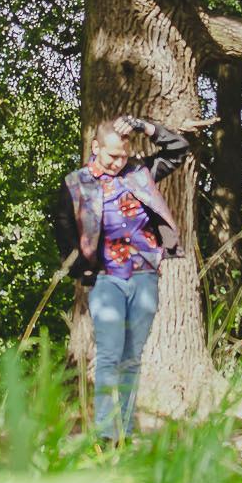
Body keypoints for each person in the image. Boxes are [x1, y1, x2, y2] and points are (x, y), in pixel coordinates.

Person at [54, 115, 192, 440]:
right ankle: (105, 433)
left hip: (144, 274)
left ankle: (125, 432)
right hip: (105, 278)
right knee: (108, 355)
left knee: (131, 358)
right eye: (111, 155)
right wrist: (80, 270)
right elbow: (62, 226)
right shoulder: (77, 182)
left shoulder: (141, 172)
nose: (118, 162)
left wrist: (145, 127)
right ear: (95, 147)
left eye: (123, 155)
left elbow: (178, 149)